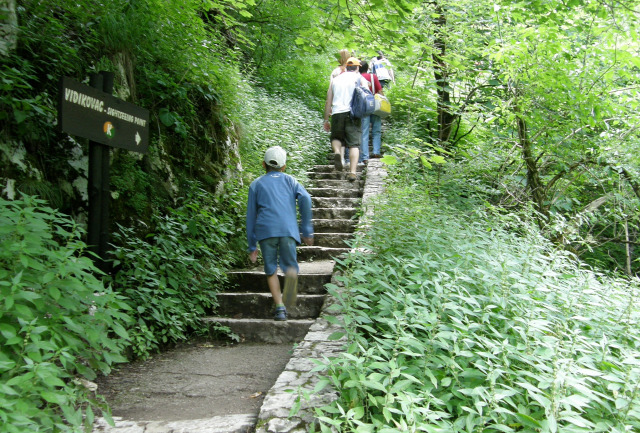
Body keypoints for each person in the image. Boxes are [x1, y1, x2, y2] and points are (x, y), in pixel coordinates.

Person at [246, 146, 314, 321]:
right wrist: (306, 229)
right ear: (284, 167)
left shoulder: (256, 184)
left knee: (270, 269)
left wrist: (252, 245)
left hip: (265, 231)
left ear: (263, 165)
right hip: (288, 230)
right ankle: (289, 298)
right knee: (291, 266)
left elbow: (251, 216)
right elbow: (305, 198)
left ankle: (280, 308)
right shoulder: (291, 181)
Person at [323, 57, 369, 182]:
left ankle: (338, 152)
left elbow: (328, 101)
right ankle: (352, 172)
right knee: (354, 144)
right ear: (358, 67)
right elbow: (367, 94)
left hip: (337, 113)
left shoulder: (336, 80)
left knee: (336, 138)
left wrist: (326, 119)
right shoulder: (359, 78)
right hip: (353, 114)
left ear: (346, 67)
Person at [358, 60, 384, 162]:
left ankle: (365, 156)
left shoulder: (357, 78)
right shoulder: (373, 77)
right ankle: (376, 152)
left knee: (364, 131)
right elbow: (380, 91)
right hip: (374, 105)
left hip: (363, 106)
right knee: (376, 130)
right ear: (368, 68)